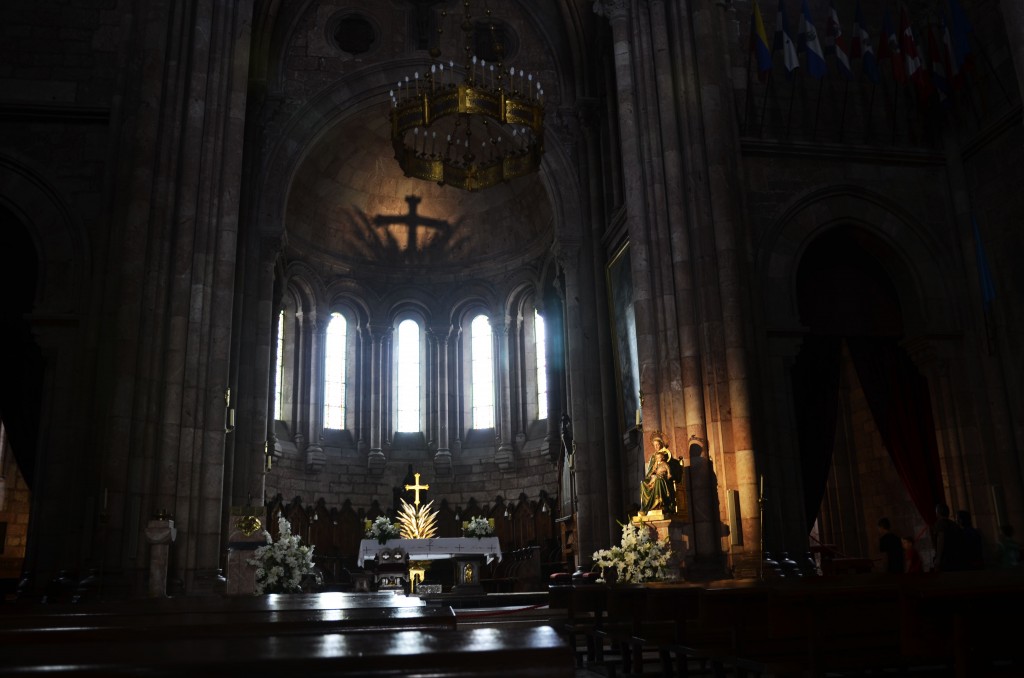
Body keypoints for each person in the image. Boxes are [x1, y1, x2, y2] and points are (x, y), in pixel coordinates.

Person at [639, 436, 675, 514]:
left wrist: (666, 472)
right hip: (655, 475)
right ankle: (645, 507)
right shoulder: (653, 456)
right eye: (654, 445)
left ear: (661, 444)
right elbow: (651, 470)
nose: (656, 447)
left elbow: (668, 466)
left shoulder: (665, 454)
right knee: (643, 483)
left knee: (658, 480)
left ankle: (660, 504)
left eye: (657, 445)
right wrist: (651, 473)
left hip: (663, 477)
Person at [931, 502, 967, 572]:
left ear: (938, 512)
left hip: (946, 559)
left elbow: (941, 539)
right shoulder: (954, 525)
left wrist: (938, 558)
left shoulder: (940, 523)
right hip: (957, 558)